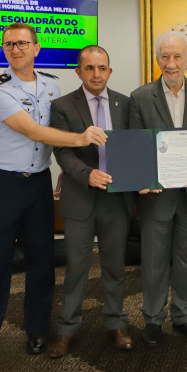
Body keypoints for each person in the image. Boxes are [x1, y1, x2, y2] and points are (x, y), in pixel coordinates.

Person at [0, 23, 107, 360]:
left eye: (22, 43)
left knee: (42, 262)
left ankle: (36, 332)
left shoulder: (51, 84)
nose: (15, 49)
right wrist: (80, 139)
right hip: (4, 184)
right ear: (4, 50)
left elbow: (53, 131)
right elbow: (32, 130)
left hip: (39, 185)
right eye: (9, 45)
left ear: (36, 47)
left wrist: (63, 169)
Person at [128, 31, 187, 346]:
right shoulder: (141, 96)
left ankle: (184, 317)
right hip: (157, 196)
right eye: (165, 57)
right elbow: (135, 146)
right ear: (158, 60)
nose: (171, 64)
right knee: (153, 260)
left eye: (177, 57)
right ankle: (153, 320)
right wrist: (140, 177)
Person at [47, 45, 135, 356]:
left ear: (109, 71)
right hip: (80, 197)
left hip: (116, 199)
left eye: (102, 68)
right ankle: (66, 330)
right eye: (89, 68)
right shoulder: (61, 106)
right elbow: (62, 151)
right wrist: (87, 174)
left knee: (115, 266)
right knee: (76, 268)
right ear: (79, 71)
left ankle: (117, 324)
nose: (96, 74)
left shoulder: (126, 104)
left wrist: (143, 179)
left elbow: (135, 147)